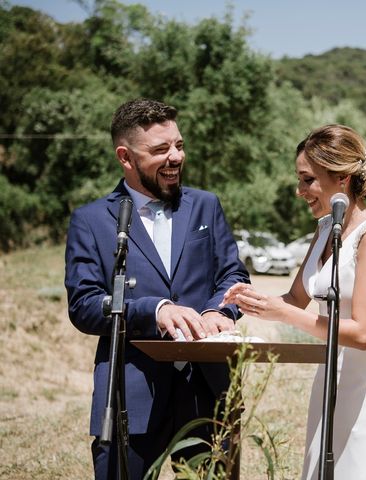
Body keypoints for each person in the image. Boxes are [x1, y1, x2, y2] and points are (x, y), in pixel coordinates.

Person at [64, 98, 250, 479]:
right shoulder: (91, 221)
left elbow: (233, 275)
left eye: (178, 145)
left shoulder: (206, 206)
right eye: (160, 149)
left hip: (208, 391)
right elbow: (84, 305)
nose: (175, 157)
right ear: (125, 157)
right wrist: (154, 310)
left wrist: (219, 310)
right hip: (130, 394)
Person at [221, 124, 366, 479]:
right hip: (330, 371)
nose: (299, 191)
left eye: (307, 180)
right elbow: (295, 297)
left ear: (341, 178)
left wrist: (286, 315)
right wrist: (246, 304)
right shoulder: (326, 229)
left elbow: (364, 333)